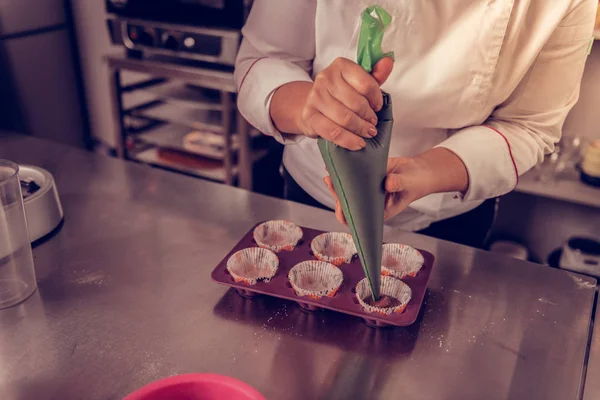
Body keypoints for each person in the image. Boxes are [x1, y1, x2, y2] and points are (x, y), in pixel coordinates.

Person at [234, 0, 596, 248]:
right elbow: (263, 59)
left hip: (452, 217)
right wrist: (309, 108)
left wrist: (423, 171)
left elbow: (529, 126)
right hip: (313, 196)